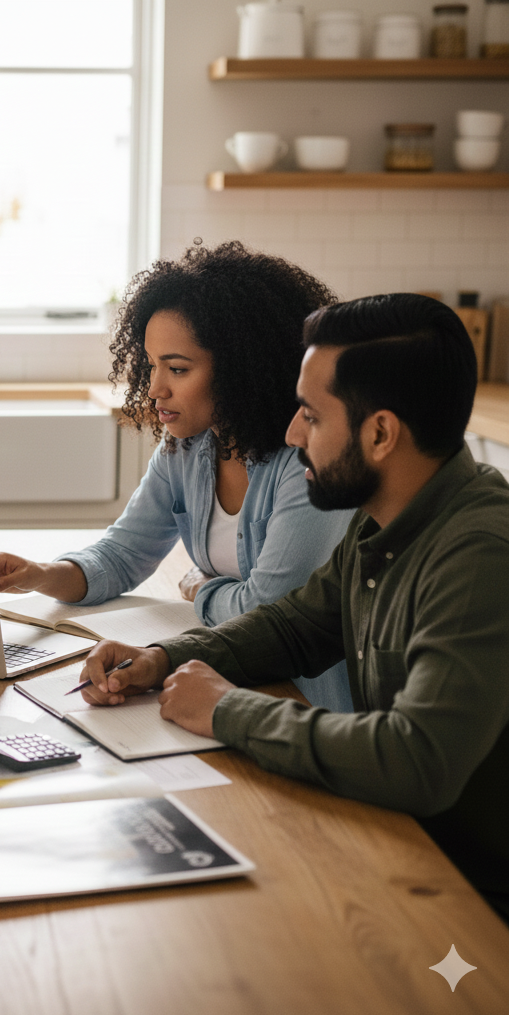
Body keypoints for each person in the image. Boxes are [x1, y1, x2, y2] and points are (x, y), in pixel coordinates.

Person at [81, 292, 509, 921]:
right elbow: (295, 626)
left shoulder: (480, 556)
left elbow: (418, 759)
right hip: (395, 838)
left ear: (381, 433)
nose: (290, 433)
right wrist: (161, 657)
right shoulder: (382, 520)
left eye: (310, 415)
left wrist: (229, 710)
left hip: (468, 895)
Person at [0, 240, 354, 710]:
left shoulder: (305, 463)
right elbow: (123, 554)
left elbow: (268, 613)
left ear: (243, 368)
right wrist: (40, 574)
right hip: (224, 679)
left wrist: (204, 590)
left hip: (300, 703)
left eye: (178, 368)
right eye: (151, 365)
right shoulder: (186, 448)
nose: (156, 388)